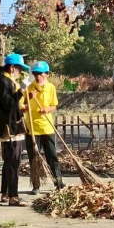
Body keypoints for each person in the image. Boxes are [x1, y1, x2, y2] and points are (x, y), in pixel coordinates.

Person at [0, 53, 31, 206]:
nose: (20, 72)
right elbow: (8, 104)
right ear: (12, 68)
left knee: (9, 162)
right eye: (19, 69)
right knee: (13, 162)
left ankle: (5, 192)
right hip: (10, 128)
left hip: (13, 124)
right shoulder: (3, 81)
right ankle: (13, 196)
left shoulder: (7, 80)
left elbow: (13, 105)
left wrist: (22, 106)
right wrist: (21, 91)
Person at [24, 60, 64, 195]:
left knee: (52, 156)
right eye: (35, 74)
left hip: (47, 128)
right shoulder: (29, 88)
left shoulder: (51, 88)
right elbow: (22, 105)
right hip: (32, 129)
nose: (38, 76)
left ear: (47, 74)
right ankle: (36, 185)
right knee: (34, 158)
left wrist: (47, 109)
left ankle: (58, 182)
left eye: (40, 74)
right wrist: (28, 98)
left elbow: (54, 105)